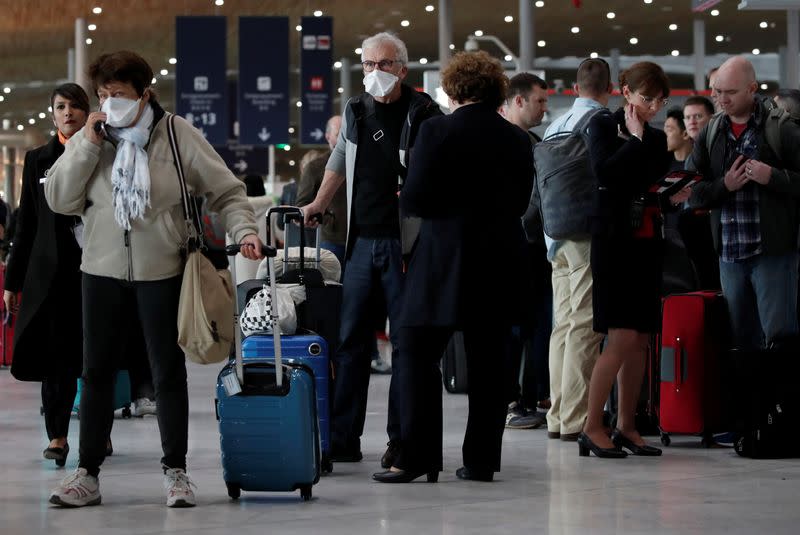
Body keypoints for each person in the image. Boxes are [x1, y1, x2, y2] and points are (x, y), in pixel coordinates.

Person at [45, 50, 264, 508]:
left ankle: (176, 471)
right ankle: (87, 473)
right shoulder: (95, 138)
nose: (109, 103)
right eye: (103, 95)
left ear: (144, 94)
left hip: (163, 271)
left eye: (119, 94)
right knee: (97, 372)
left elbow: (226, 190)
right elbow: (60, 200)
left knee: (166, 373)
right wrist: (86, 142)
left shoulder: (176, 133)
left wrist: (244, 230)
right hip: (100, 271)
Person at [372, 50, 534, 484]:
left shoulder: (436, 130)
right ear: (496, 90)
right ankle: (480, 461)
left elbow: (415, 201)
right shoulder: (518, 140)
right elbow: (520, 203)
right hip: (499, 259)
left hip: (444, 259)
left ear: (455, 88)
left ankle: (417, 455)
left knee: (416, 351)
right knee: (489, 363)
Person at [301, 32, 441, 469]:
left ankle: (400, 442)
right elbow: (339, 158)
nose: (374, 73)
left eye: (382, 65)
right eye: (367, 65)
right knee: (350, 344)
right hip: (360, 245)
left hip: (405, 246)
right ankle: (343, 438)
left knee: (404, 344)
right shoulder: (357, 110)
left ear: (402, 67)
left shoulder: (424, 113)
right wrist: (319, 204)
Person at [579, 61, 673, 458]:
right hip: (614, 243)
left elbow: (650, 178)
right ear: (626, 93)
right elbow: (604, 173)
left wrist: (671, 190)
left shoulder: (653, 138)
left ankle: (627, 425)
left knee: (640, 340)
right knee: (618, 338)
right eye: (647, 98)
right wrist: (633, 141)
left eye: (660, 100)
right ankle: (590, 425)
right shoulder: (602, 125)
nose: (654, 106)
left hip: (646, 239)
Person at [688, 56, 800, 350]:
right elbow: (691, 190)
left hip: (773, 253)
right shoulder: (711, 133)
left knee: (779, 338)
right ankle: (749, 397)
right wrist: (724, 185)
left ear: (752, 88)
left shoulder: (781, 128)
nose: (722, 99)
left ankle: (780, 396)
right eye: (718, 92)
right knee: (740, 341)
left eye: (731, 92)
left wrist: (772, 177)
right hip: (729, 254)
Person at [4, 83, 89, 468]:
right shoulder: (38, 159)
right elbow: (26, 226)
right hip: (50, 277)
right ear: (52, 114)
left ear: (88, 113)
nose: (68, 112)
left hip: (96, 272)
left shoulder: (105, 154)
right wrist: (12, 282)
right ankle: (57, 435)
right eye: (60, 106)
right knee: (56, 359)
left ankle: (97, 431)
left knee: (94, 357)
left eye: (74, 106)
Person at [539, 58, 612, 443]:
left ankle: (557, 415)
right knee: (585, 326)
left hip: (557, 236)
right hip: (586, 236)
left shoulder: (555, 125)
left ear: (573, 87)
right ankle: (576, 418)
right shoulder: (601, 123)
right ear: (611, 88)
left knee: (562, 326)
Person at [500, 72, 550, 430]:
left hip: (534, 250)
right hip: (508, 248)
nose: (544, 108)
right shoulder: (502, 142)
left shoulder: (534, 142)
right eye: (539, 101)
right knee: (514, 329)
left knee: (536, 327)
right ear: (518, 100)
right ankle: (510, 399)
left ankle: (528, 397)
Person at [297, 116, 346, 265]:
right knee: (333, 285)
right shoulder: (315, 167)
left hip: (363, 240)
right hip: (333, 241)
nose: (344, 139)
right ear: (328, 137)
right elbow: (302, 205)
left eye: (346, 133)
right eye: (339, 134)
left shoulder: (361, 164)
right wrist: (328, 219)